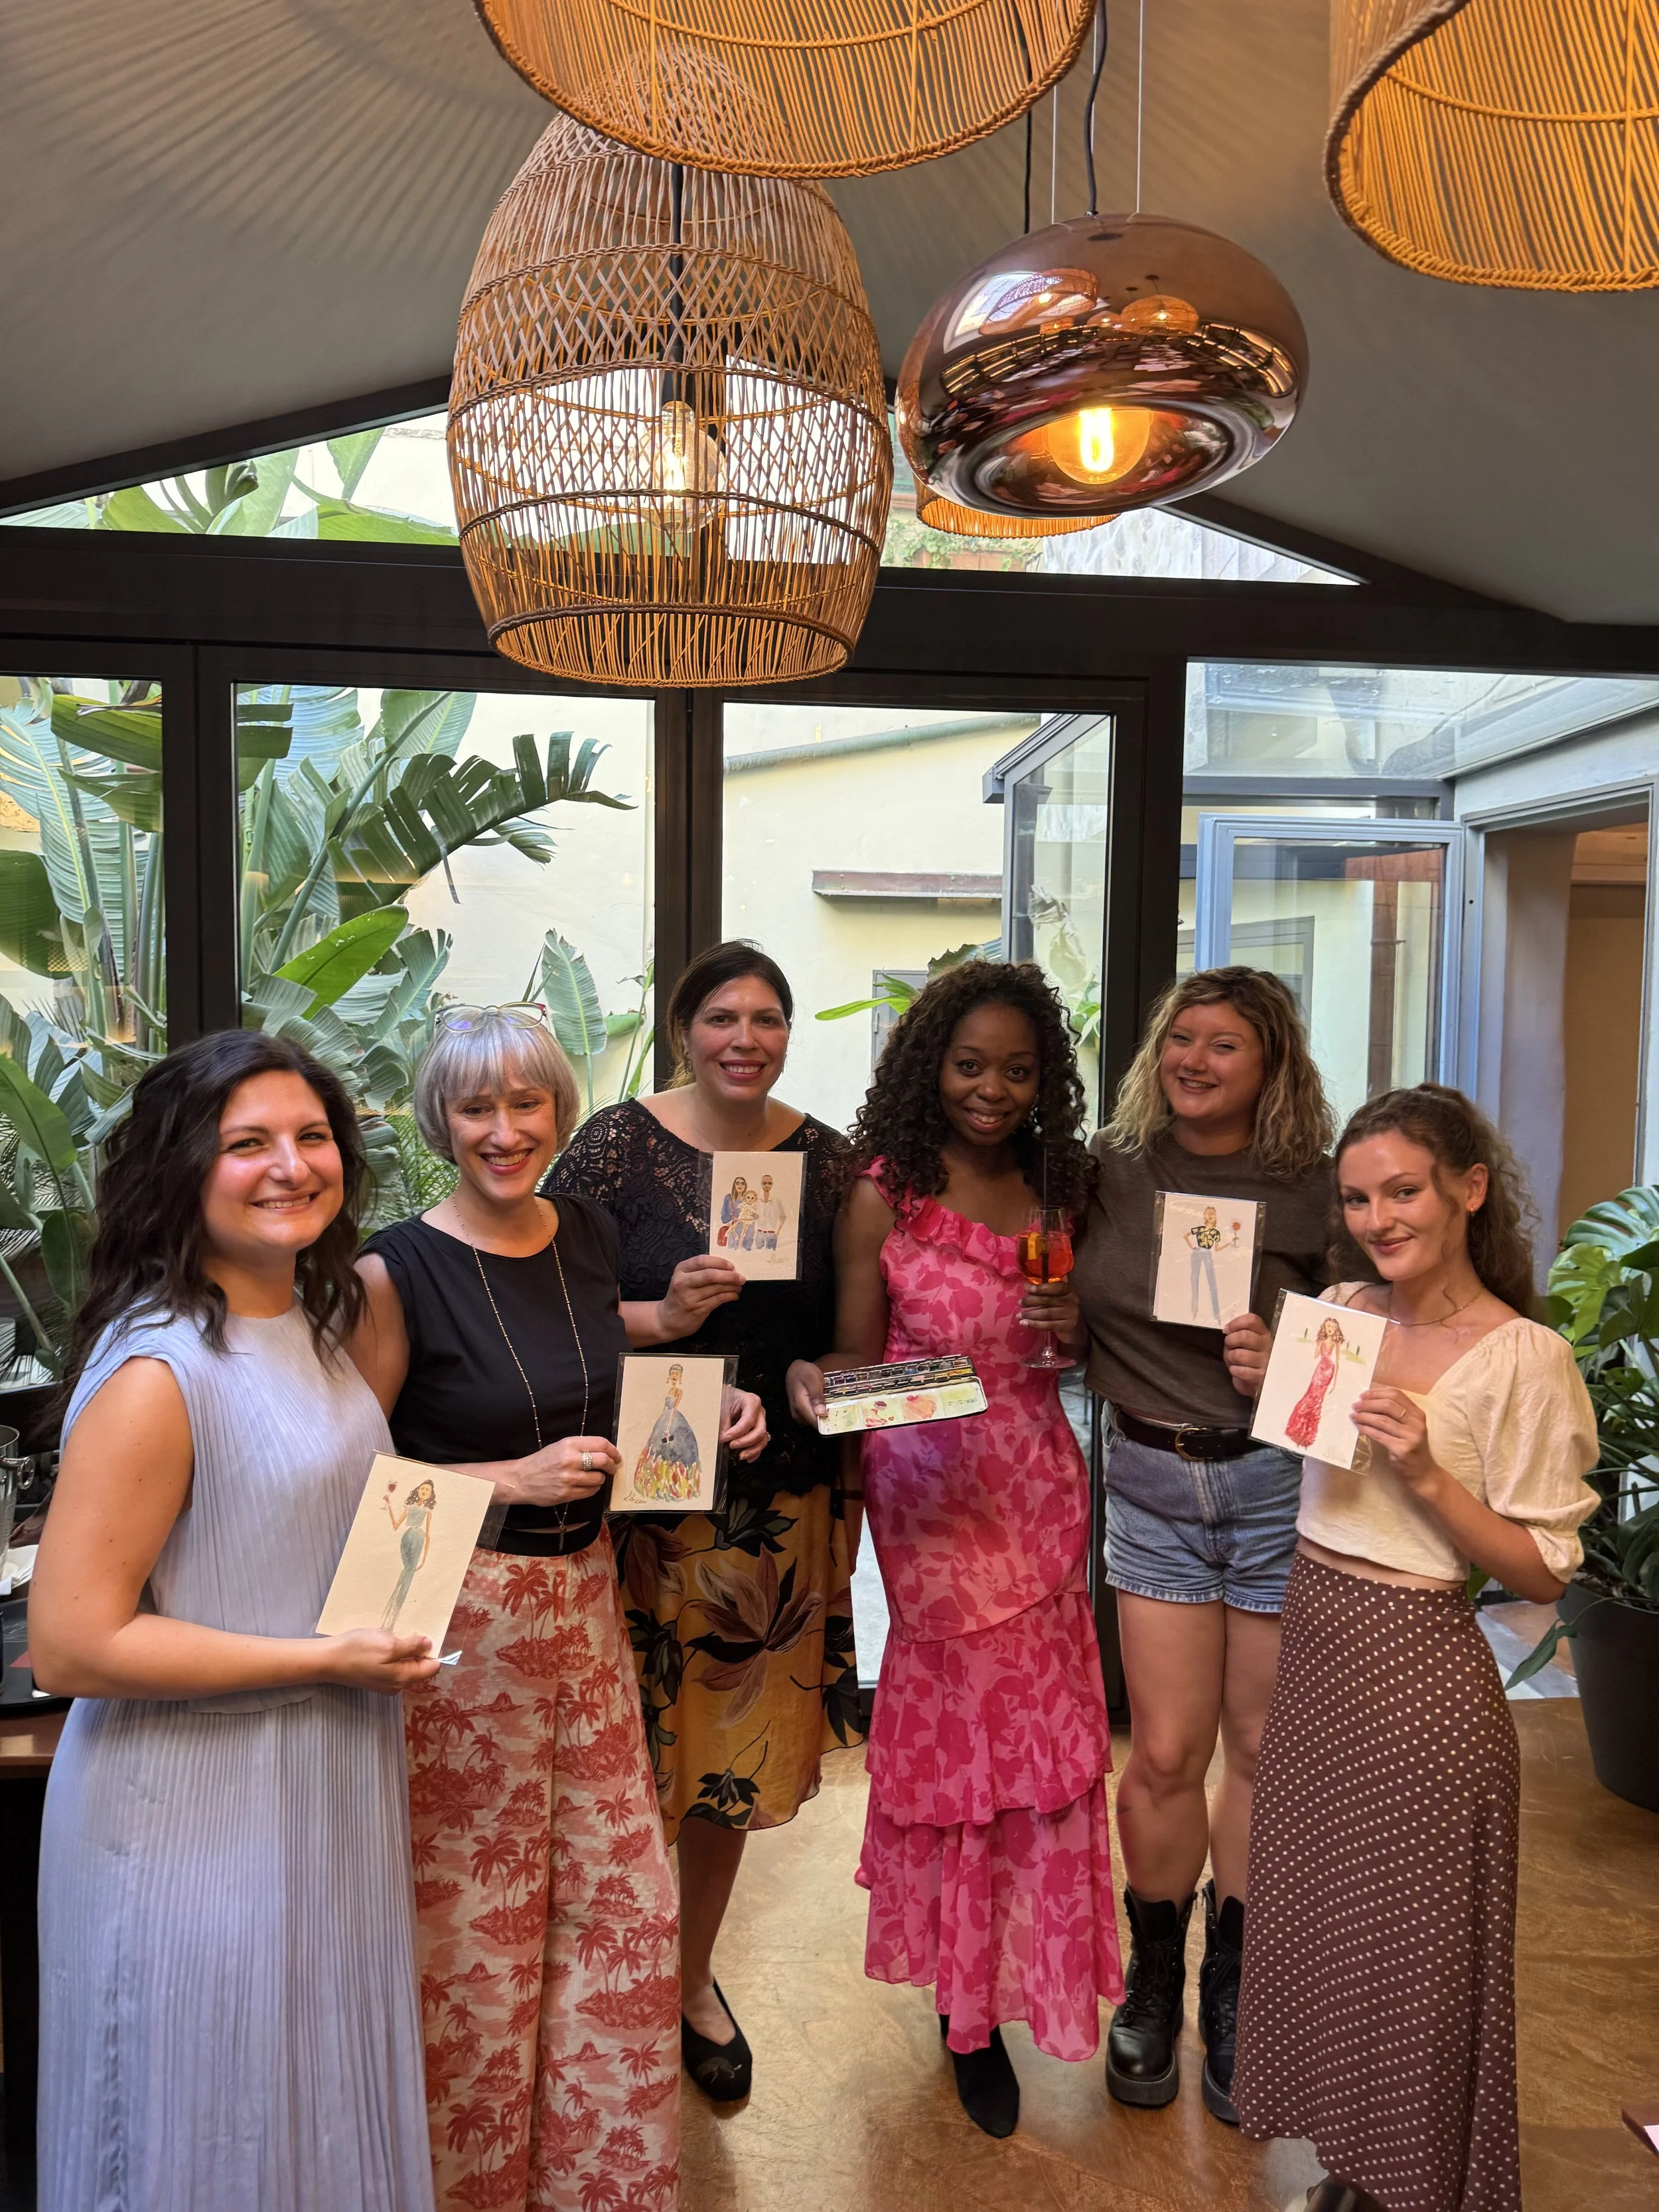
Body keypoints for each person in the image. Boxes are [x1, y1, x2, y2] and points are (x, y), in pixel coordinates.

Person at [351, 1005, 768, 2211]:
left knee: (613, 1912)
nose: (503, 1130)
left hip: (584, 1611)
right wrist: (501, 1486)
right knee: (475, 1934)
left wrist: (701, 1380)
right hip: (460, 1640)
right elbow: (346, 1484)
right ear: (441, 1119)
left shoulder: (581, 1230)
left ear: (556, 1110)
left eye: (525, 1104)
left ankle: (592, 2182)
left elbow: (595, 1340)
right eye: (477, 1108)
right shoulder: (394, 1269)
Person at [29, 1030, 439, 2212]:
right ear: (182, 1169)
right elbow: (70, 1643)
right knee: (204, 2134)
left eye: (312, 1137)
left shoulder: (314, 1332)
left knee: (303, 2117)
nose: (290, 1165)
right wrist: (322, 1660)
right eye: (245, 1143)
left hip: (319, 1781)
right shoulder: (161, 1368)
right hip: (190, 1821)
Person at [1234, 1084, 1599, 2212]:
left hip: (1421, 1668)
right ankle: (1356, 2160)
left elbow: (1541, 1571)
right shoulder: (1339, 1307)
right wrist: (1263, 1376)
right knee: (1329, 1927)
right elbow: (1321, 1476)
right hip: (1321, 1647)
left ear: (1468, 1190)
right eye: (1358, 1198)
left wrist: (1430, 1472)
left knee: (1417, 1955)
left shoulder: (1523, 1356)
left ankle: (1418, 2176)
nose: (1379, 1218)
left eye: (1403, 1191)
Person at [788, 959, 1123, 2140]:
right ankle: (963, 2013)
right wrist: (821, 1387)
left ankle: (1014, 1986)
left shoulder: (1062, 1186)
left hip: (1037, 1488)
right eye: (970, 1064)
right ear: (933, 1063)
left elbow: (1084, 1351)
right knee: (965, 1764)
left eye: (1017, 1070)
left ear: (1046, 1082)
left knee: (1043, 1756)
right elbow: (850, 1360)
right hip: (931, 1506)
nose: (991, 1088)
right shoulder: (884, 1193)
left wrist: (1073, 1329)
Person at [549, 941, 859, 2102]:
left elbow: (853, 1336)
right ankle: (603, 1978)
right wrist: (667, 1315)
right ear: (686, 1027)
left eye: (768, 1018)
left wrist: (810, 1381)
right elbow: (554, 1311)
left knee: (725, 1767)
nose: (747, 1038)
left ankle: (687, 1979)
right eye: (723, 1016)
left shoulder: (825, 1164)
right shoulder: (618, 1147)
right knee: (615, 1756)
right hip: (631, 1500)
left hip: (769, 1508)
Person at [1070, 966, 1335, 2125]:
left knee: (1260, 1749)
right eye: (1181, 1039)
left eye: (1224, 1045)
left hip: (1276, 1482)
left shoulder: (1320, 1191)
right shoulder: (1104, 1174)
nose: (1195, 1061)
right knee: (1167, 1751)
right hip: (1148, 1474)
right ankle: (1152, 1983)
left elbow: (1359, 1355)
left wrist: (1284, 1364)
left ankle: (1236, 1993)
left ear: (1271, 1064)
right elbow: (1055, 1297)